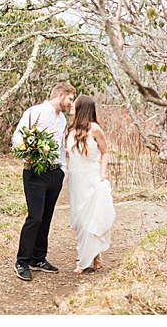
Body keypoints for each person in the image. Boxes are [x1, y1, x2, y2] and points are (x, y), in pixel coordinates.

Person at [13, 83, 76, 281]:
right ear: (60, 95)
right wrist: (24, 152)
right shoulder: (36, 112)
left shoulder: (62, 119)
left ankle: (38, 258)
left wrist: (62, 170)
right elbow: (17, 136)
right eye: (70, 99)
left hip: (55, 173)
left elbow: (61, 146)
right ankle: (22, 261)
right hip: (35, 173)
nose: (70, 104)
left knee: (47, 216)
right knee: (35, 217)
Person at [64, 94, 114, 272]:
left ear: (82, 107)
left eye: (74, 104)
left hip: (91, 179)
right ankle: (96, 256)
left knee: (89, 219)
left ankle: (83, 262)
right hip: (75, 179)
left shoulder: (95, 129)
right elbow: (73, 153)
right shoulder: (71, 129)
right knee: (79, 219)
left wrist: (102, 173)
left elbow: (105, 152)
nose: (71, 106)